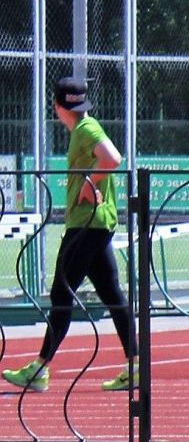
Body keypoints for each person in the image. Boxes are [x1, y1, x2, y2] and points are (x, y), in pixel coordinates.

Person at [4, 76, 139, 394]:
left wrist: (91, 182)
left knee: (62, 294)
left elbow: (113, 157)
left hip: (86, 225)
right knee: (112, 294)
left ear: (57, 107)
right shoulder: (85, 127)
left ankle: (39, 369)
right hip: (97, 223)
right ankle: (134, 365)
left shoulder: (85, 129)